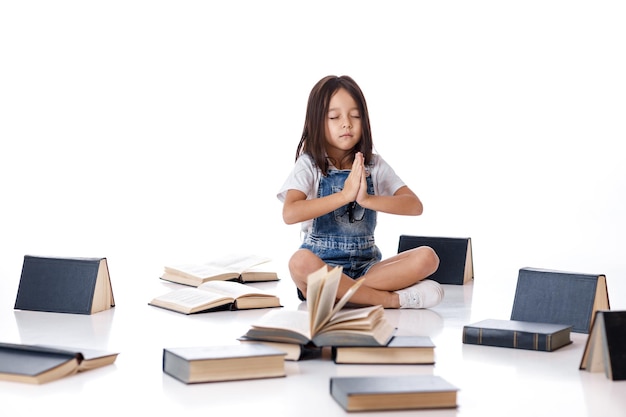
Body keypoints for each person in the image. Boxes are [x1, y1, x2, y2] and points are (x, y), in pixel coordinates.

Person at [277, 75, 444, 309]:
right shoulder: (309, 165)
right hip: (321, 266)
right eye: (334, 117)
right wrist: (344, 196)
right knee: (299, 262)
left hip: (367, 268)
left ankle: (341, 293)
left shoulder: (373, 165)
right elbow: (290, 213)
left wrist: (366, 199)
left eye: (355, 116)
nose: (347, 123)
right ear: (316, 123)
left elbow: (414, 206)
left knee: (428, 257)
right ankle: (390, 300)